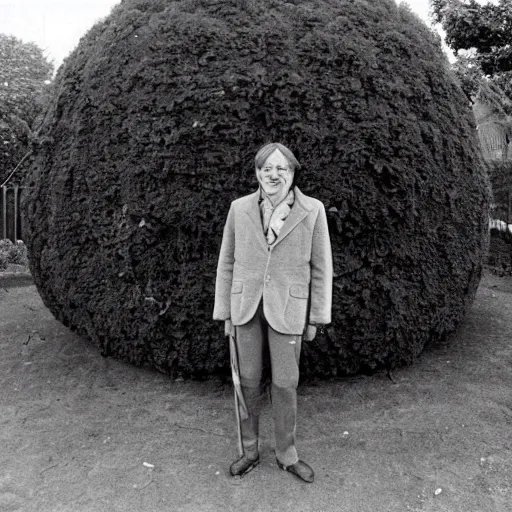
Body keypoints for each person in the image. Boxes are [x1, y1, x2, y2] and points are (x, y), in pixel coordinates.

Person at [213, 142, 333, 483]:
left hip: (289, 309)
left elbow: (322, 268)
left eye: (281, 169)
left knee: (285, 384)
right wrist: (224, 311)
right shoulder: (239, 209)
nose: (273, 175)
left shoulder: (313, 210)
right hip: (244, 308)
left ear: (292, 173)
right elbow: (226, 262)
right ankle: (249, 451)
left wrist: (316, 317)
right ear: (257, 173)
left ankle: (287, 454)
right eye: (267, 169)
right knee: (247, 382)